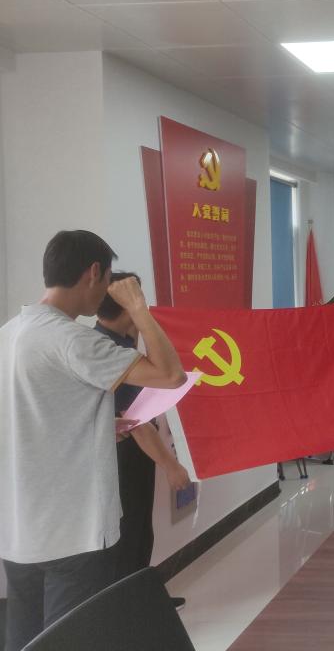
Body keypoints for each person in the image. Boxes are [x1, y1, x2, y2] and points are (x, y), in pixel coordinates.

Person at [0, 231, 186, 651]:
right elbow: (171, 375)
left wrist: (101, 425)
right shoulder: (73, 340)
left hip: (18, 528)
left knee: (25, 640)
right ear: (93, 272)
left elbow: (35, 414)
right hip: (73, 531)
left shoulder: (9, 333)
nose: (105, 293)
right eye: (106, 281)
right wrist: (139, 309)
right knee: (71, 640)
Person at [94, 273, 191, 600]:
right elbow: (134, 423)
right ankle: (133, 608)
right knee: (131, 532)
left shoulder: (112, 340)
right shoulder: (111, 351)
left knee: (137, 530)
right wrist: (171, 466)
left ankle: (141, 602)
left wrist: (135, 324)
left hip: (122, 454)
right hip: (124, 455)